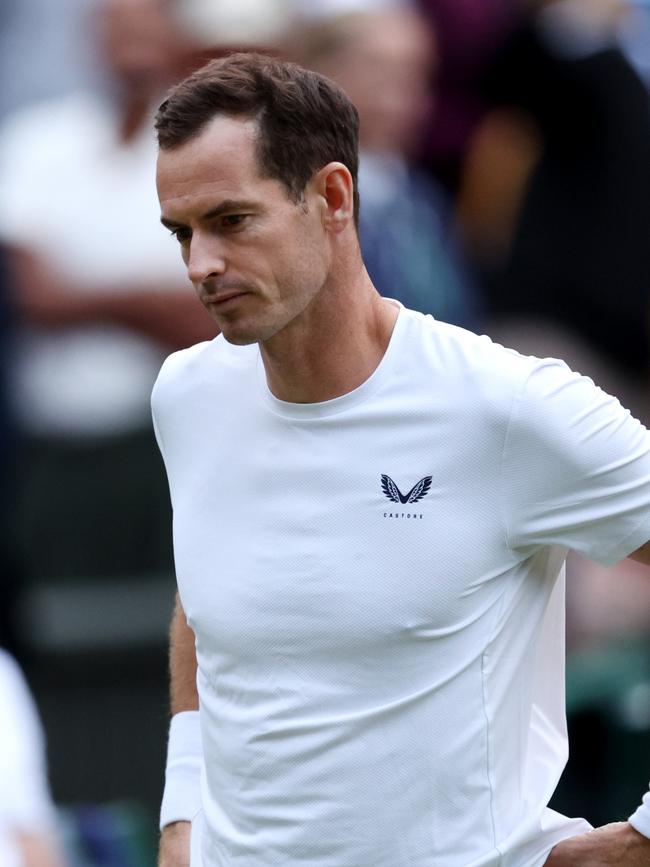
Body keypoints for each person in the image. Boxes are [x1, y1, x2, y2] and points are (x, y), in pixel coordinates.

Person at [152, 53, 650, 867]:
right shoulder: (187, 393)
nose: (200, 263)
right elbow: (204, 601)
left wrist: (639, 841)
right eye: (182, 232)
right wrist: (182, 816)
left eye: (231, 220)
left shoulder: (508, 406)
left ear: (334, 198)